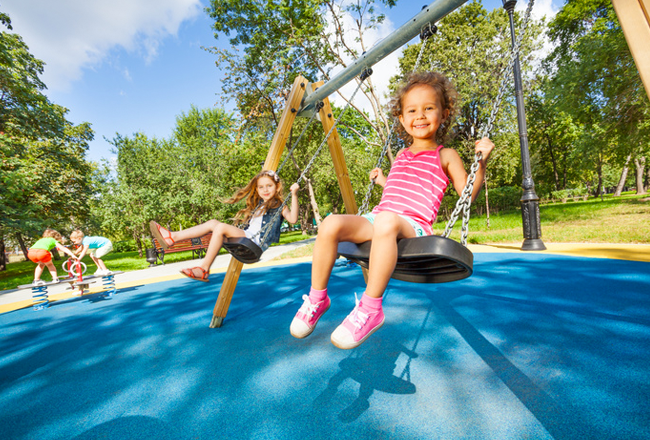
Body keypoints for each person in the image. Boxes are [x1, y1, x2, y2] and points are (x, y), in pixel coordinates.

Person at [290, 71, 495, 349]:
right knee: (331, 223)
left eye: (429, 108)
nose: (419, 116)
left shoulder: (446, 155)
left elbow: (467, 194)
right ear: (401, 118)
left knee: (386, 220)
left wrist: (480, 163)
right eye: (412, 110)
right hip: (382, 217)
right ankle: (318, 298)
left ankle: (371, 309)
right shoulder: (400, 155)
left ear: (444, 114)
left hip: (414, 226)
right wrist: (383, 181)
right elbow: (397, 192)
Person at [150, 170, 300, 282]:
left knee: (220, 227)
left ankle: (204, 269)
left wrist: (294, 195)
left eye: (269, 186)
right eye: (261, 187)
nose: (265, 190)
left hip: (254, 244)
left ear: (277, 186)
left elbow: (293, 219)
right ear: (257, 189)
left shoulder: (280, 206)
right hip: (246, 238)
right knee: (213, 223)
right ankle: (172, 237)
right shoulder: (258, 204)